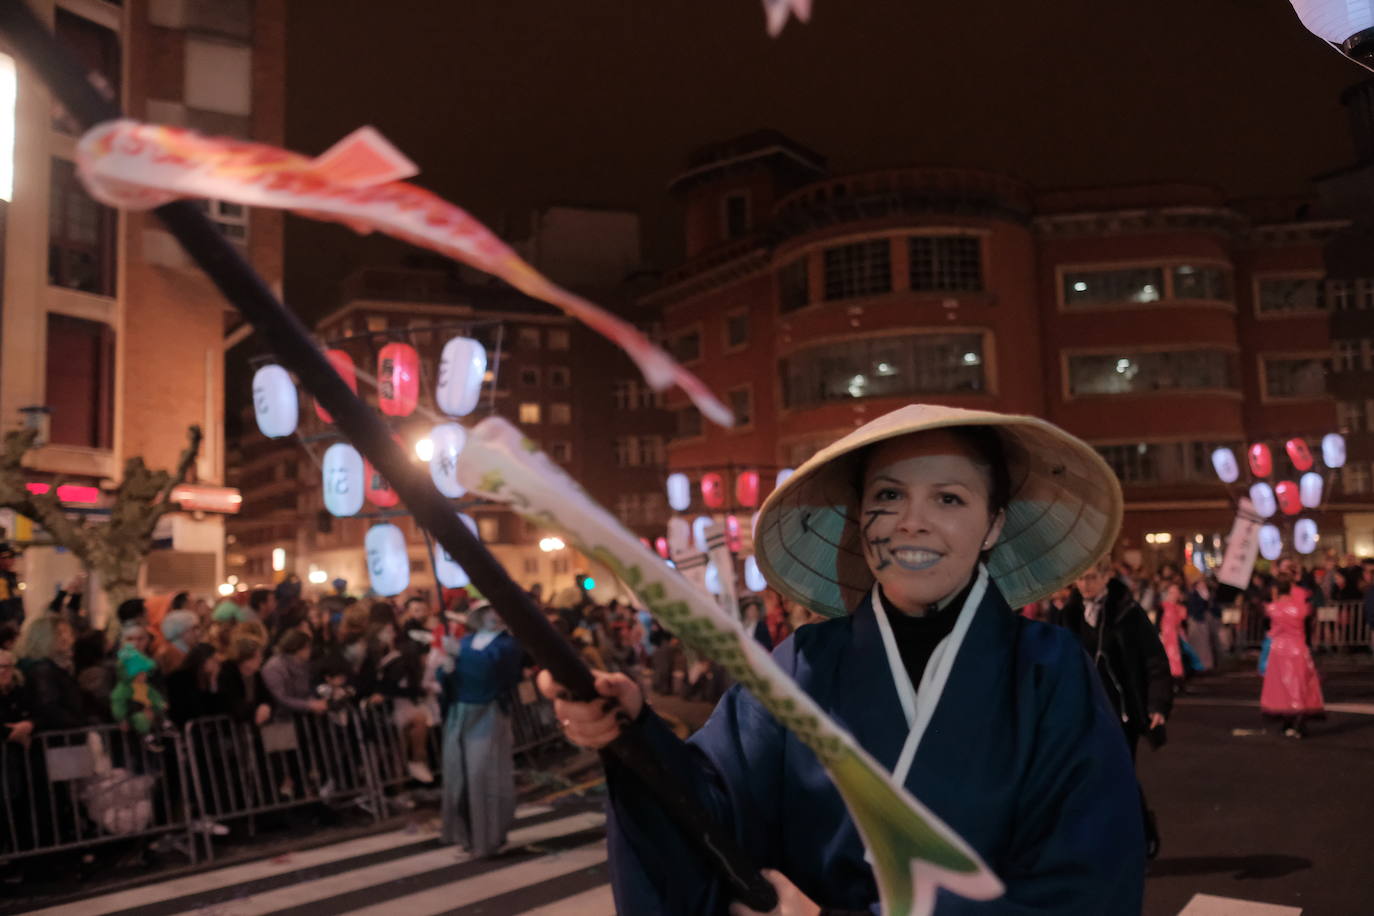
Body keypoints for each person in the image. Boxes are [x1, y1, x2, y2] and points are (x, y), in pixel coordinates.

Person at [540, 404, 1143, 914]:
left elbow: (1088, 875)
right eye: (888, 496)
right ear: (860, 522)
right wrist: (633, 733)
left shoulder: (1048, 670)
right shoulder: (800, 666)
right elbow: (709, 814)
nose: (912, 521)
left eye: (950, 498)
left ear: (993, 526)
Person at [1057, 557, 1172, 859]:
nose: (1085, 584)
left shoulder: (1127, 612)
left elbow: (1154, 660)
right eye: (1080, 578)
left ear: (1107, 576)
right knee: (1084, 780)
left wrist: (1156, 703)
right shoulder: (1067, 614)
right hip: (1082, 713)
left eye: (1092, 577)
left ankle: (1141, 833)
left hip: (1120, 713)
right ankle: (1096, 844)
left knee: (1119, 777)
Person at [437, 601, 523, 857]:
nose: (493, 614)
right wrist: (447, 670)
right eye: (488, 610)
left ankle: (490, 838)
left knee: (484, 776)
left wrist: (461, 657)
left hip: (488, 714)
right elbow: (450, 680)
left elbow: (492, 672)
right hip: (460, 714)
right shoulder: (465, 642)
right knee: (458, 778)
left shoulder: (507, 644)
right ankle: (466, 836)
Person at [1260, 576, 1325, 738]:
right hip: (1298, 649)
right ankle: (1299, 724)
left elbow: (1263, 610)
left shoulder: (1273, 608)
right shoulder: (1301, 608)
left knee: (1281, 688)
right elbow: (1313, 606)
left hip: (1279, 651)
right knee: (1300, 687)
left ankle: (1287, 722)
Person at [157, 609, 201, 675]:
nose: (198, 633)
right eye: (193, 629)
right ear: (180, 631)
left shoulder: (186, 649)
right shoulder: (169, 653)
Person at [0, 544, 24, 629]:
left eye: (11, 557)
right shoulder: (2, 578)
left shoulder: (11, 577)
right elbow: (4, 602)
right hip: (6, 624)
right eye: (4, 557)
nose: (9, 560)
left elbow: (17, 598)